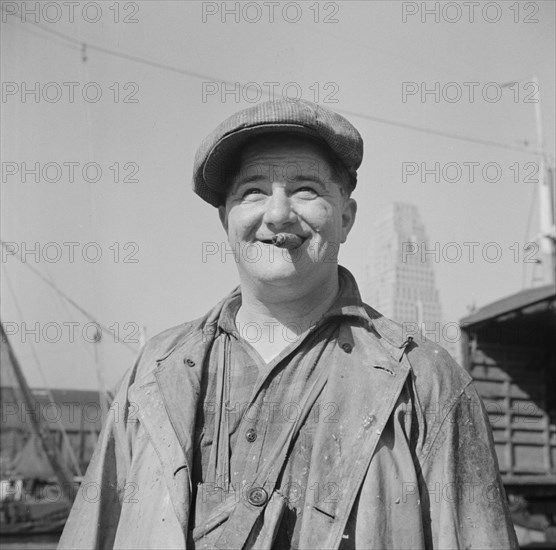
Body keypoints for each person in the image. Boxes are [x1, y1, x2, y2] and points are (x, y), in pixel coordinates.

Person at [58, 99, 518, 549]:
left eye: (306, 190)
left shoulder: (427, 383)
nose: (278, 214)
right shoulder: (155, 373)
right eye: (252, 191)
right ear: (226, 219)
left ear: (345, 217)